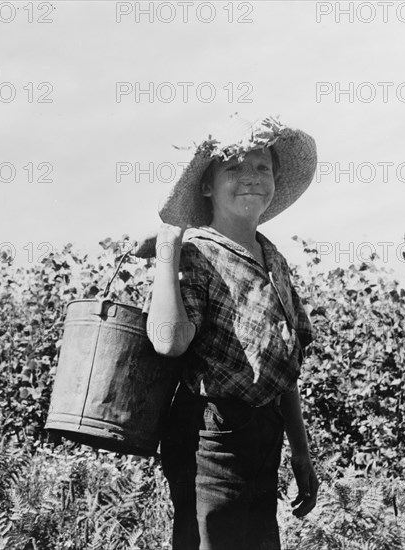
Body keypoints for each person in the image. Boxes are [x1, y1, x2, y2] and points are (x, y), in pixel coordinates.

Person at [141, 116, 319, 550]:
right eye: (235, 168)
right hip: (211, 437)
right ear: (207, 187)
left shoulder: (272, 257)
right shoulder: (196, 252)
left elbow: (285, 362)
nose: (252, 179)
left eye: (262, 168)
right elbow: (169, 340)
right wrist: (168, 251)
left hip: (264, 434)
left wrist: (300, 449)